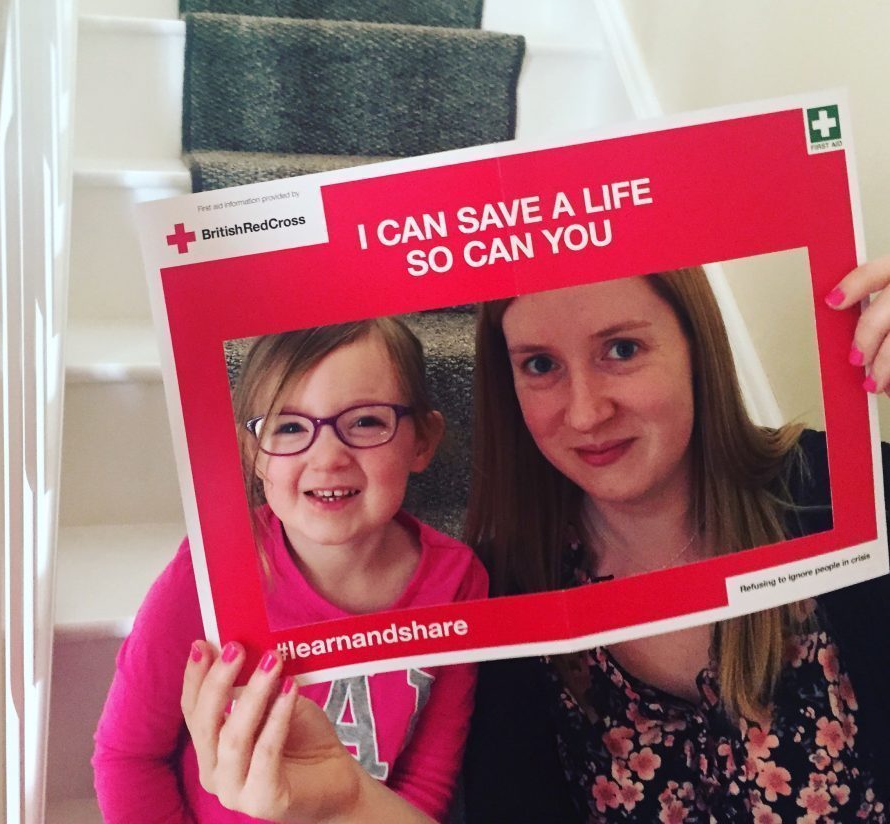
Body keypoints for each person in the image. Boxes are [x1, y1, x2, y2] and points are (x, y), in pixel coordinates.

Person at [179, 257, 890, 824]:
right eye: (540, 365)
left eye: (621, 349)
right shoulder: (505, 591)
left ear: (696, 347)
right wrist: (346, 803)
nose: (585, 412)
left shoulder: (847, 491)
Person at [93, 318, 488, 823]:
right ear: (254, 455)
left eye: (366, 422)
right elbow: (128, 758)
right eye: (289, 427)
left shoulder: (459, 581)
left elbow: (426, 781)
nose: (328, 458)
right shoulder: (208, 571)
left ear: (422, 441)